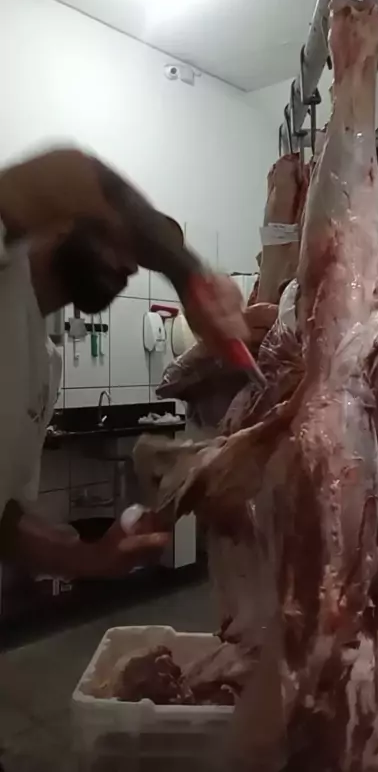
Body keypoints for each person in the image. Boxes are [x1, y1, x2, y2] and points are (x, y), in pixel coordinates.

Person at [0, 147, 248, 580]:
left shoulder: (45, 365)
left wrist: (88, 559)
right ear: (63, 216)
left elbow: (5, 517)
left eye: (139, 259)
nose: (131, 266)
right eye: (121, 241)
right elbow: (75, 170)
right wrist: (189, 276)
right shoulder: (6, 265)